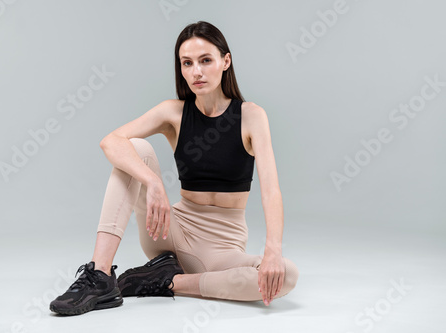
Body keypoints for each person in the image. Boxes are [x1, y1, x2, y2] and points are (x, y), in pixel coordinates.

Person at [49, 20, 299, 316]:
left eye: (206, 60)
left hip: (221, 248)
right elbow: (111, 142)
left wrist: (273, 250)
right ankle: (100, 276)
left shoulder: (251, 116)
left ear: (225, 61)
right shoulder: (174, 113)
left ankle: (168, 281)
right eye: (187, 63)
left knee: (287, 275)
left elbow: (271, 191)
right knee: (136, 149)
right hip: (171, 231)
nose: (197, 71)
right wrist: (153, 182)